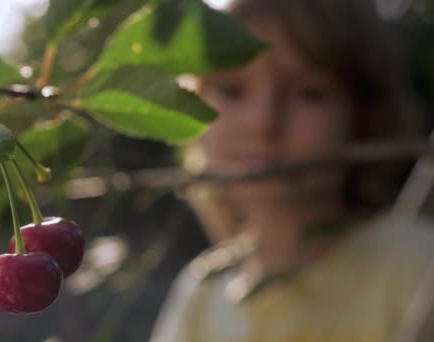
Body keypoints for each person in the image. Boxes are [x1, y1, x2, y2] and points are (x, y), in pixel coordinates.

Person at [150, 0, 434, 341]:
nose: (263, 123)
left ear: (362, 114)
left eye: (309, 94)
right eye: (232, 90)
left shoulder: (417, 269)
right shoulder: (202, 293)